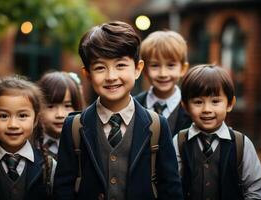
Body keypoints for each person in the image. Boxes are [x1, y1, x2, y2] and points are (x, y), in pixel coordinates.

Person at [53, 21, 183, 200]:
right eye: (100, 68)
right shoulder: (74, 126)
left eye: (120, 65)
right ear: (88, 74)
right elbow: (63, 189)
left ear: (138, 69)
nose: (111, 76)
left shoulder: (157, 126)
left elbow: (171, 189)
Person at [173, 64, 261, 200]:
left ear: (229, 104)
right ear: (185, 106)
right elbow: (170, 185)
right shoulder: (179, 141)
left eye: (215, 101)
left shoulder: (241, 144)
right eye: (198, 102)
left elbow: (255, 189)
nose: (207, 109)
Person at [135, 30, 192, 137]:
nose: (163, 74)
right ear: (144, 70)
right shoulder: (134, 105)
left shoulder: (192, 109)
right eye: (155, 65)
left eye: (171, 65)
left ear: (183, 69)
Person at [37, 71, 84, 160]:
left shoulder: (83, 145)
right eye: (50, 106)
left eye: (67, 106)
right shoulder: (31, 144)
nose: (60, 115)